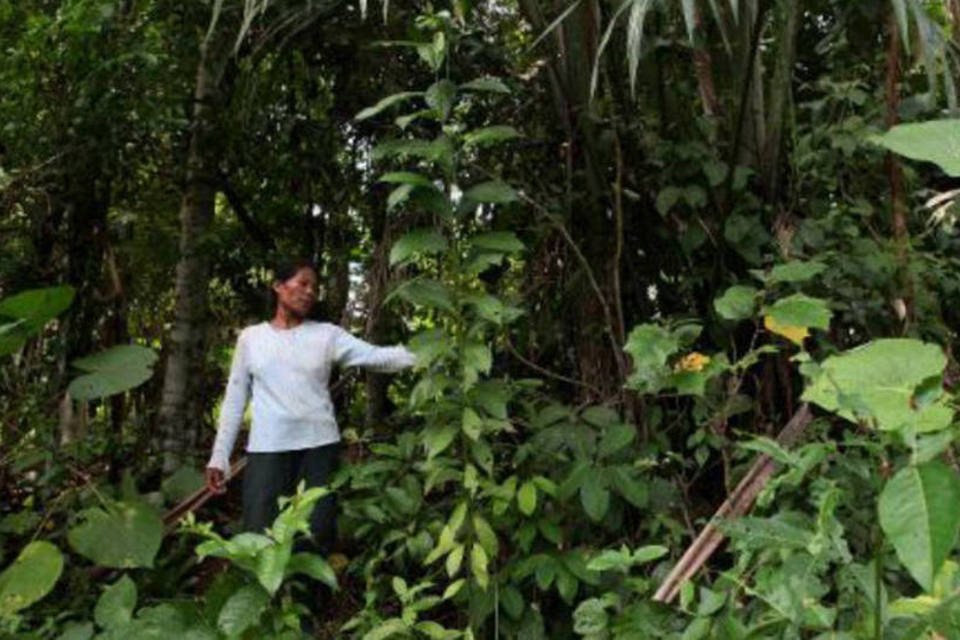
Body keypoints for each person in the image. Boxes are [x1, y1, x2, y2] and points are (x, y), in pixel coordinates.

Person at [204, 258, 415, 554]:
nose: (309, 292)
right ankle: (268, 600)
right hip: (268, 450)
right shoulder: (251, 339)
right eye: (302, 283)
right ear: (278, 286)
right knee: (260, 534)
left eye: (314, 287)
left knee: (315, 533)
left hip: (319, 448)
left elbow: (376, 357)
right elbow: (236, 398)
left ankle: (309, 598)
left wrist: (424, 354)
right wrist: (219, 457)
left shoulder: (326, 335)